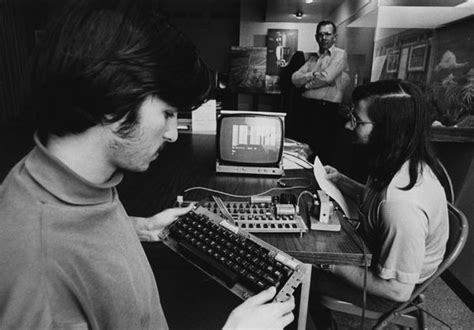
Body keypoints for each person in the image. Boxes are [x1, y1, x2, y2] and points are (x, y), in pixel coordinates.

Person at [0, 1, 295, 329]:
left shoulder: (73, 179)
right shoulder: (36, 269)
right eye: (168, 113)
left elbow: (80, 231)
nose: (172, 134)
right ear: (114, 100)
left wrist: (142, 227)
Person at [310, 80, 449, 327]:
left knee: (298, 271)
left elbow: (397, 291)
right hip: (382, 257)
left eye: (358, 121)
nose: (347, 124)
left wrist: (329, 263)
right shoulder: (400, 161)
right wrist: (342, 181)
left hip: (389, 292)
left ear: (388, 129)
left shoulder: (401, 205)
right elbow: (377, 202)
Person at [291, 20, 349, 164]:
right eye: (320, 34)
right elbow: (294, 78)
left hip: (326, 111)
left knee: (322, 154)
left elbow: (327, 77)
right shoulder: (313, 58)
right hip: (308, 108)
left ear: (334, 36)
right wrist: (312, 75)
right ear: (316, 37)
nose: (324, 38)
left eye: (327, 34)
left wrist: (305, 85)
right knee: (304, 150)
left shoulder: (340, 54)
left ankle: (319, 185)